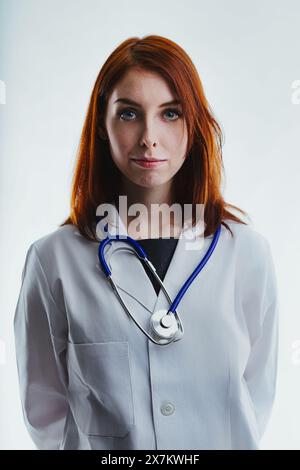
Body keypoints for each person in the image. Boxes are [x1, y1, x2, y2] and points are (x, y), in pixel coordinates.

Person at [13, 35, 279, 450]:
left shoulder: (246, 254)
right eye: (129, 114)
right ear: (102, 125)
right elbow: (46, 414)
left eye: (170, 113)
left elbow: (254, 399)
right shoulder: (53, 261)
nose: (149, 137)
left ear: (195, 124)